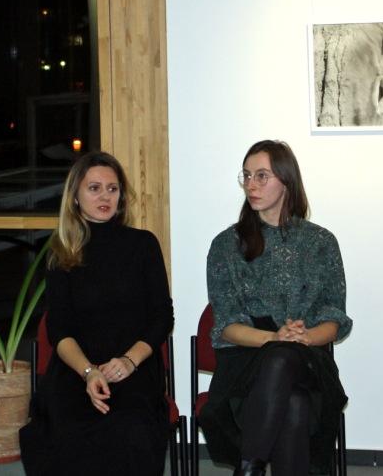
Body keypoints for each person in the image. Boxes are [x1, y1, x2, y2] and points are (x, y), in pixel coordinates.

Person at [200, 139, 352, 476]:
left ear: (286, 180)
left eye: (262, 176)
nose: (251, 185)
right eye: (247, 176)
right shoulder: (226, 245)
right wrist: (275, 338)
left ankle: (248, 469)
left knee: (286, 360)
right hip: (245, 359)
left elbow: (334, 315)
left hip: (308, 358)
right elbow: (225, 323)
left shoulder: (321, 242)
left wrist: (305, 337)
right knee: (294, 401)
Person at [20, 151, 174, 476]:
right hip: (77, 368)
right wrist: (90, 373)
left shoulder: (143, 244)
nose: (105, 196)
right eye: (94, 188)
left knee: (130, 427)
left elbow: (162, 317)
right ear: (75, 197)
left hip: (134, 366)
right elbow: (59, 330)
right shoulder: (61, 252)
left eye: (112, 188)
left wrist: (129, 362)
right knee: (68, 426)